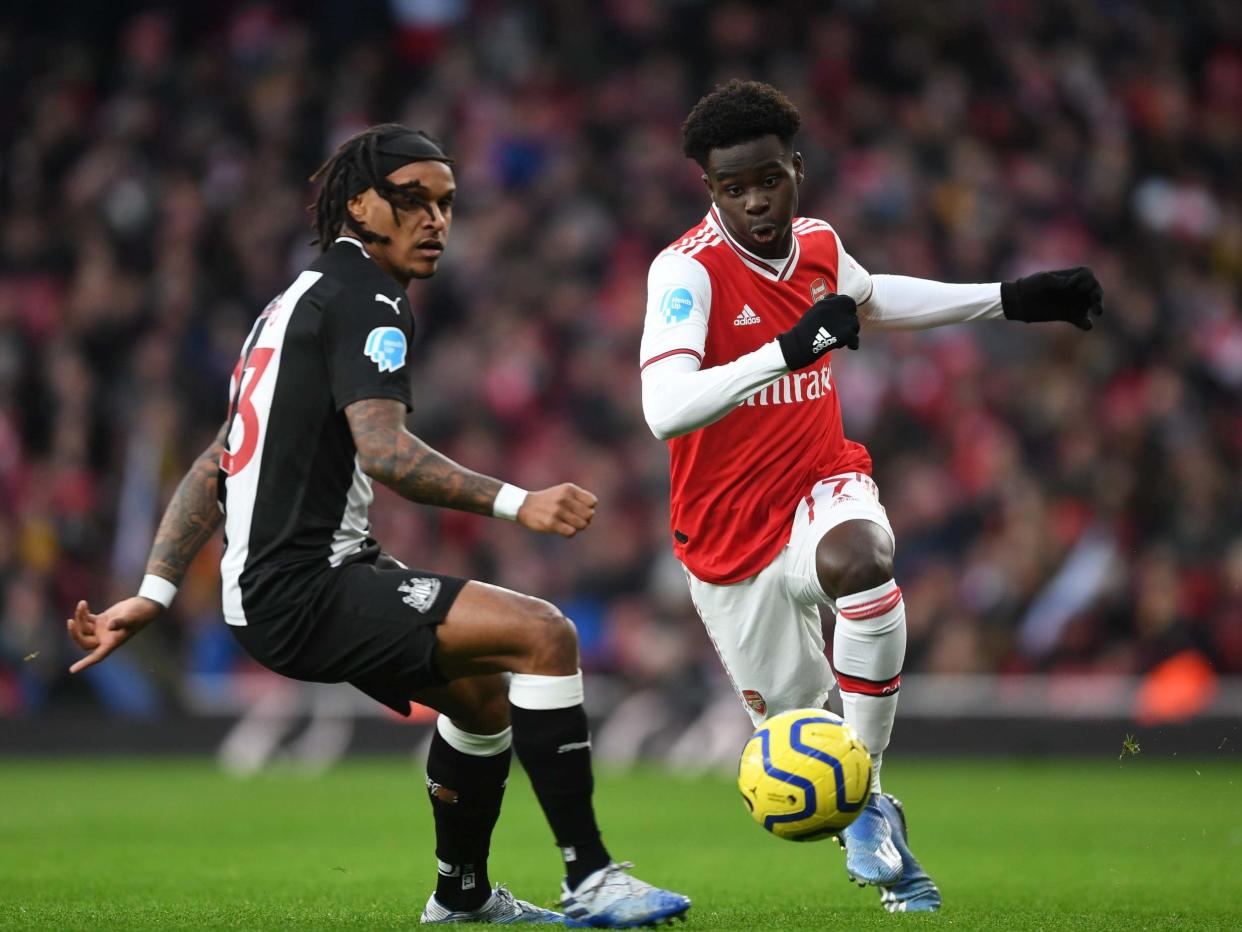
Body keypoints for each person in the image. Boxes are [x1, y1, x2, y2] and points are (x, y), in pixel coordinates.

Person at [66, 124, 691, 929]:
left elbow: (216, 460)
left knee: (481, 700)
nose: (436, 220)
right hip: (306, 587)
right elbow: (386, 452)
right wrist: (518, 501)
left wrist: (153, 592)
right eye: (414, 201)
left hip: (281, 587)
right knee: (546, 635)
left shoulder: (289, 305)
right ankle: (593, 877)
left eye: (447, 204)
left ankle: (462, 897)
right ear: (361, 205)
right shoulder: (368, 298)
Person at [639, 81, 1103, 913]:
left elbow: (872, 300)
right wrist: (789, 349)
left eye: (768, 179)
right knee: (807, 730)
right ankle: (872, 815)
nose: (754, 201)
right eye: (732, 187)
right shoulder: (685, 272)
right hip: (724, 540)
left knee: (865, 563)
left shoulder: (817, 245)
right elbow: (663, 408)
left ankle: (871, 799)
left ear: (797, 169)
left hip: (820, 483)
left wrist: (1011, 300)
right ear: (707, 188)